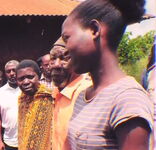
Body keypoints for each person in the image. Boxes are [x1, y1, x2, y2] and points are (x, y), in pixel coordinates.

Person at [61, 0, 153, 149]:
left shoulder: (127, 100)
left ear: (94, 29)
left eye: (67, 38)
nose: (64, 50)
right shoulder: (82, 97)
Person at [49, 37, 92, 150]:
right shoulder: (56, 91)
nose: (56, 64)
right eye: (53, 58)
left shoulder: (87, 92)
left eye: (64, 58)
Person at [16, 59, 54, 150]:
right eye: (21, 79)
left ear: (39, 76)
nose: (25, 82)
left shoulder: (51, 98)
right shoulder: (22, 101)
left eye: (30, 77)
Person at [0, 60, 20, 150]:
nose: (11, 73)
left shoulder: (27, 89)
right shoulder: (0, 93)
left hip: (27, 140)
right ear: (5, 74)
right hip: (9, 142)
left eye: (14, 70)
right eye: (8, 71)